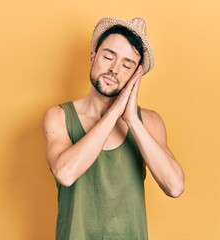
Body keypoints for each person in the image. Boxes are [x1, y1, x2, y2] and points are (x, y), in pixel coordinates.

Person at [43, 17, 185, 240]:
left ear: (135, 76)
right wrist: (114, 112)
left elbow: (175, 186)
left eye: (127, 65)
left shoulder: (148, 121)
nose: (114, 69)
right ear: (93, 57)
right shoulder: (59, 116)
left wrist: (132, 121)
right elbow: (65, 173)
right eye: (108, 57)